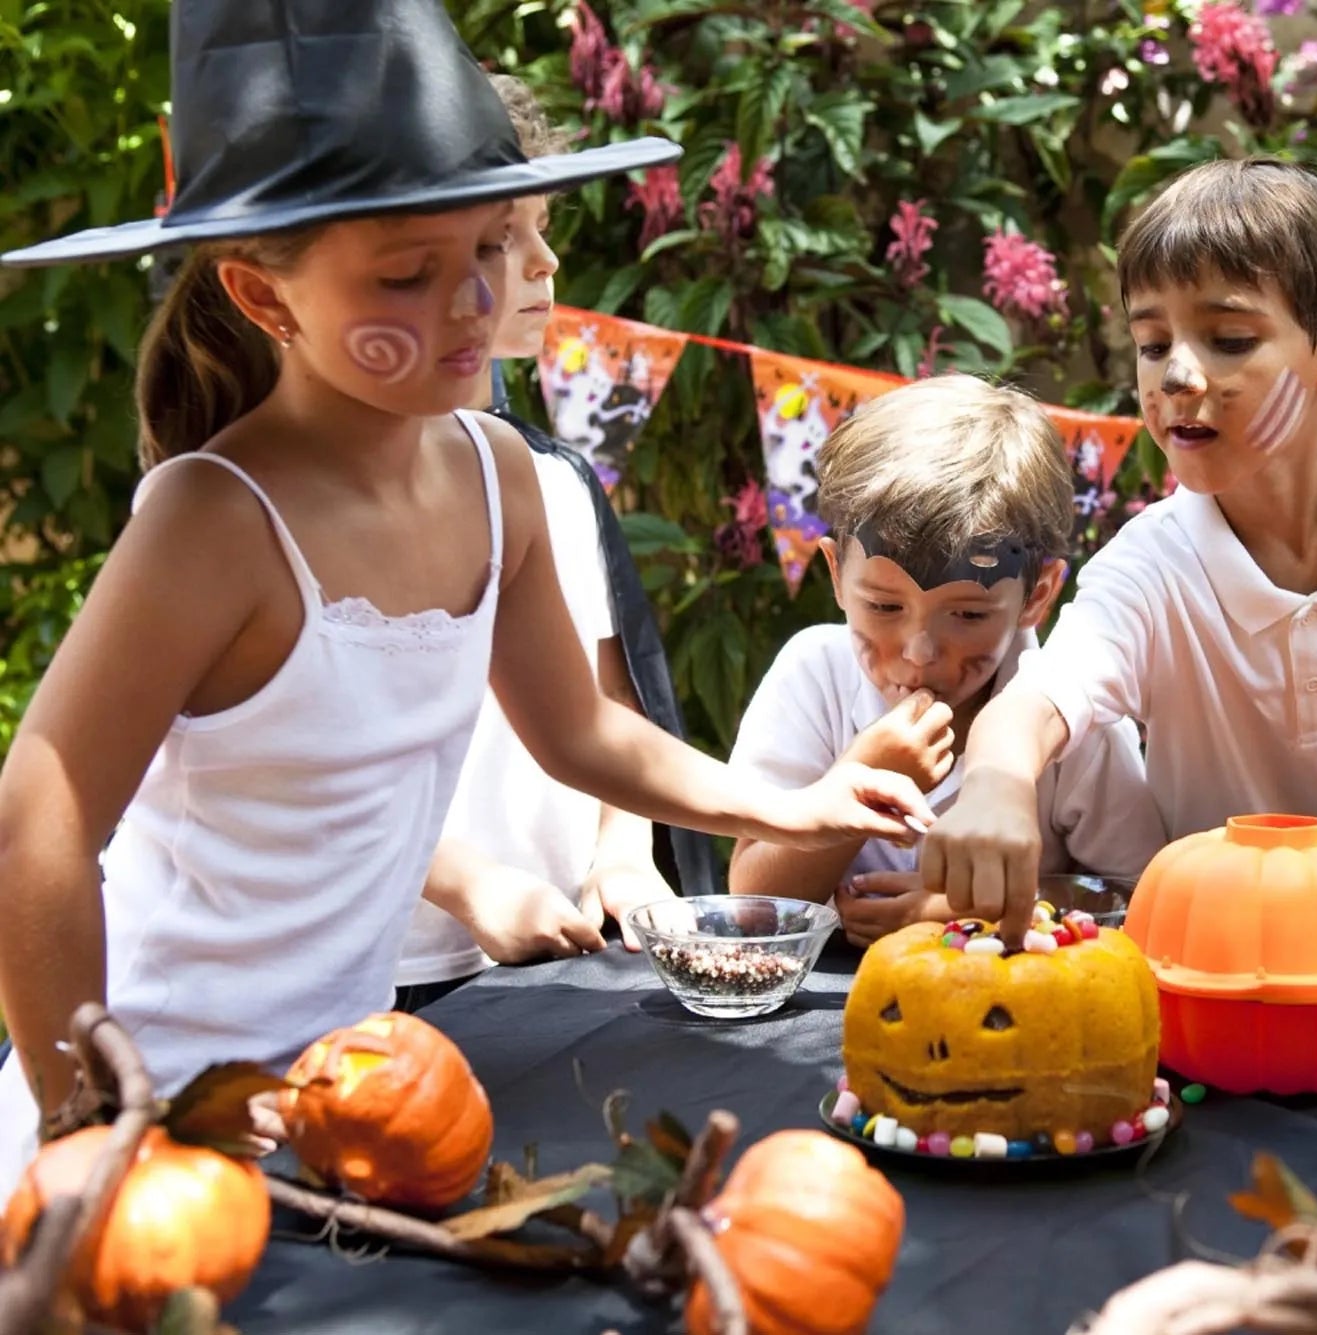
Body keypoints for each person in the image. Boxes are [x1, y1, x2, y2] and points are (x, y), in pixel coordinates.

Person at [0, 0, 928, 1194]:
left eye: (491, 246)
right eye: (407, 274)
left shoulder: (498, 477)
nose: (474, 302)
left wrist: (789, 808)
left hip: (345, 1087)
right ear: (264, 297)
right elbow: (42, 811)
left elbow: (580, 730)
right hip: (163, 1091)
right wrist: (88, 1115)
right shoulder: (211, 520)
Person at [919, 158, 1317, 942]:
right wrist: (993, 783)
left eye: (1228, 339)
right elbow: (1035, 702)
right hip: (1218, 968)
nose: (1178, 375)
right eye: (1152, 344)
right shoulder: (1148, 567)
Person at [395, 76, 700, 1010]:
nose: (545, 264)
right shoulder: (309, 500)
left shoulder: (552, 480)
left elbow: (604, 704)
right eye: (504, 236)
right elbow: (303, 770)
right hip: (397, 967)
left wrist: (624, 846)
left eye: (538, 228)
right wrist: (468, 883)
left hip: (561, 953)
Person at [729, 375, 1166, 946]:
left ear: (1036, 595)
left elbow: (1139, 896)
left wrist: (960, 911)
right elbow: (752, 909)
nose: (919, 651)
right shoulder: (813, 678)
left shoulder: (1070, 719)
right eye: (884, 605)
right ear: (836, 575)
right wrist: (859, 784)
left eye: (967, 615)